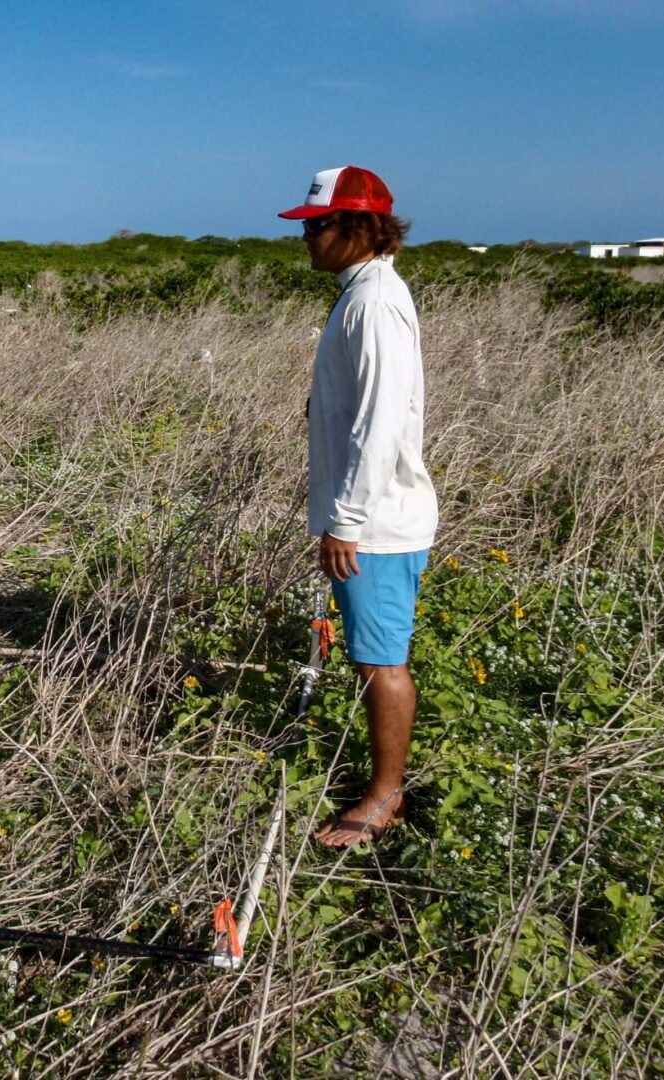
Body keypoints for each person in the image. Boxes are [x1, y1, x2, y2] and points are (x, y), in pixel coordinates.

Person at [278, 166, 438, 847]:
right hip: (370, 516)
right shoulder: (363, 293)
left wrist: (345, 521)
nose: (307, 239)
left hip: (375, 524)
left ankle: (383, 799)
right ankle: (383, 785)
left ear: (357, 228)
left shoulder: (374, 302)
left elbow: (379, 421)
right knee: (375, 654)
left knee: (381, 660)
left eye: (317, 226)